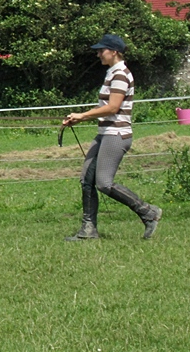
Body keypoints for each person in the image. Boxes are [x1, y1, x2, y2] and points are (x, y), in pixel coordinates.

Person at [63, 34, 162, 241]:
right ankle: (88, 230)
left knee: (104, 184)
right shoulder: (112, 73)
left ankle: (148, 212)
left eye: (102, 50)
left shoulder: (120, 75)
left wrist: (83, 115)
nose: (98, 54)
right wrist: (79, 118)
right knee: (86, 180)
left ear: (114, 52)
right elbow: (105, 107)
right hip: (104, 133)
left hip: (116, 135)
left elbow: (113, 107)